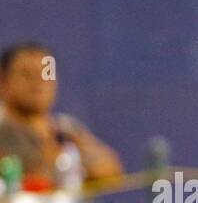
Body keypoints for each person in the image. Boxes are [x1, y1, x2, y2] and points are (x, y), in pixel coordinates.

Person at [0, 42, 123, 191]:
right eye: (26, 74)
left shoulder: (66, 128)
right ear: (3, 81)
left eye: (46, 74)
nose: (38, 82)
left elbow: (111, 171)